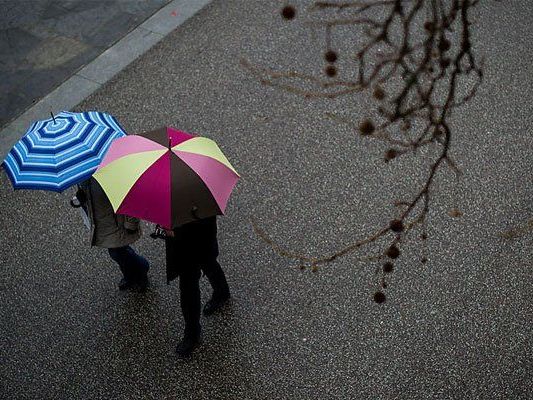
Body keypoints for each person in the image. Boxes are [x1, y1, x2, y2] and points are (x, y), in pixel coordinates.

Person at [164, 215, 230, 357]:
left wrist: (174, 232)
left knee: (202, 271)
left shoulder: (198, 196)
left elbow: (206, 219)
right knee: (189, 284)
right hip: (183, 246)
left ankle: (192, 332)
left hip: (200, 238)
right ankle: (192, 331)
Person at [71, 178, 150, 291]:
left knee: (117, 252)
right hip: (103, 223)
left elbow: (131, 195)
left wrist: (131, 222)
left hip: (118, 222)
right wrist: (80, 199)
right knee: (118, 251)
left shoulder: (112, 171)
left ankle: (142, 268)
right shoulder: (82, 173)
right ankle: (130, 275)